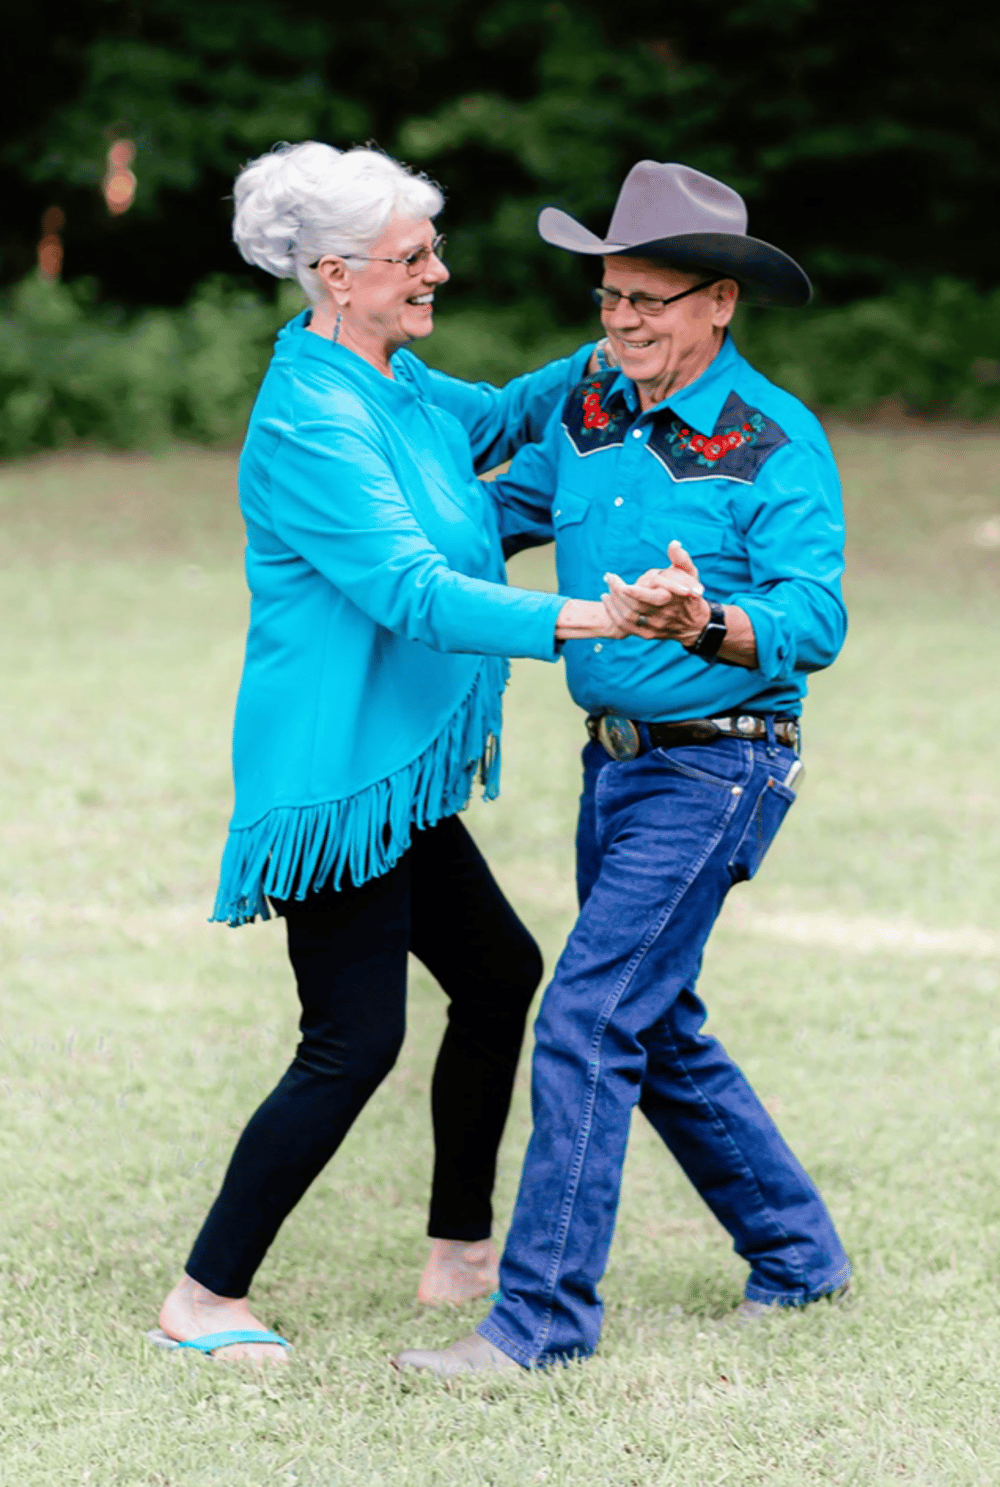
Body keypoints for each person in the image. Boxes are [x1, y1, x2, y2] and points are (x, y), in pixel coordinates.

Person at [147, 142, 627, 1363]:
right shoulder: (310, 416)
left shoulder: (392, 382)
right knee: (352, 1038)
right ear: (332, 273)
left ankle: (460, 1244)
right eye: (413, 257)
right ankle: (204, 1294)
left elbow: (509, 416)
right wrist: (589, 616)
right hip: (333, 776)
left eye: (431, 250)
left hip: (394, 767)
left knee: (499, 969)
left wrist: (629, 329)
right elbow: (412, 591)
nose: (437, 273)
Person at [395, 160, 852, 1376]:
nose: (622, 321)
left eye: (650, 299)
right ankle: (799, 1255)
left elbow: (813, 618)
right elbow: (500, 511)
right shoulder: (592, 402)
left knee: (591, 1012)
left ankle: (540, 1324)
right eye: (609, 297)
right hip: (613, 768)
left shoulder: (774, 441)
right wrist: (374, 549)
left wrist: (703, 621)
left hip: (721, 766)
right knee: (659, 1021)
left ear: (719, 304)